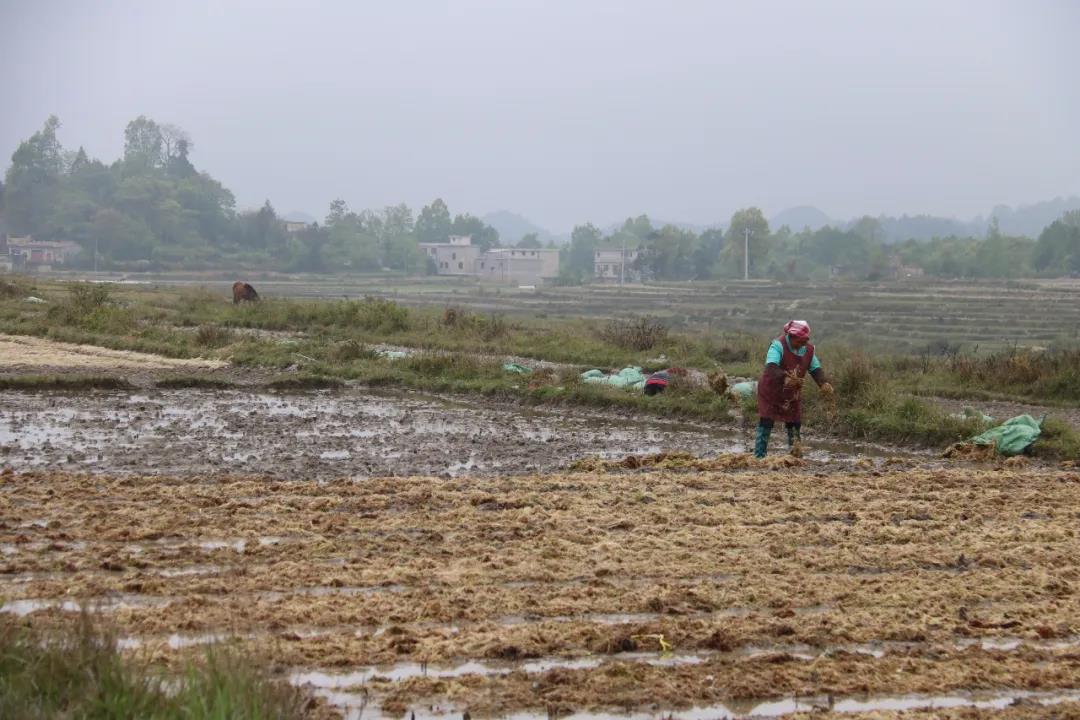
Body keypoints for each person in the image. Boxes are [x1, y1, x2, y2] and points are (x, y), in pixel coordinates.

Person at [755, 320, 834, 458]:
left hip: (792, 394)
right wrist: (785, 378)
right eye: (799, 341)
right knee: (766, 421)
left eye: (804, 341)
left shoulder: (808, 350)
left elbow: (815, 369)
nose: (802, 344)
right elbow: (771, 367)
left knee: (794, 423)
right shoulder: (778, 345)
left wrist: (823, 384)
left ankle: (795, 456)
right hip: (771, 391)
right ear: (790, 337)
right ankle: (759, 456)